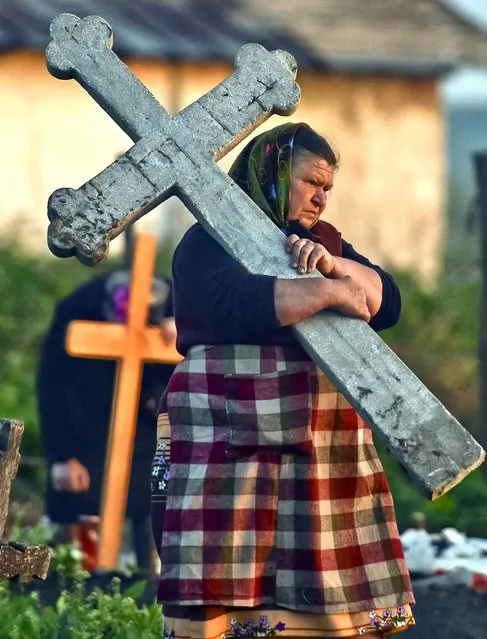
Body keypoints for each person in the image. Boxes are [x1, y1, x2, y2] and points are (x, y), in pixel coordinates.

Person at [155, 123, 415, 638]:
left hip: (319, 442)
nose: (320, 198)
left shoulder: (323, 242)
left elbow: (387, 301)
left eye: (328, 188)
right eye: (310, 182)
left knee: (318, 568)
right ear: (273, 173)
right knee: (226, 566)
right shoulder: (209, 239)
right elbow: (242, 303)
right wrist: (328, 293)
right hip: (224, 434)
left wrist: (335, 266)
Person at [37, 270, 176, 573]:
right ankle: (76, 583)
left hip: (145, 426)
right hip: (86, 431)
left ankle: (149, 581)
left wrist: (188, 327)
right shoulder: (78, 308)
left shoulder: (178, 303)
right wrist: (62, 455)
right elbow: (52, 385)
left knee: (150, 501)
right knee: (80, 515)